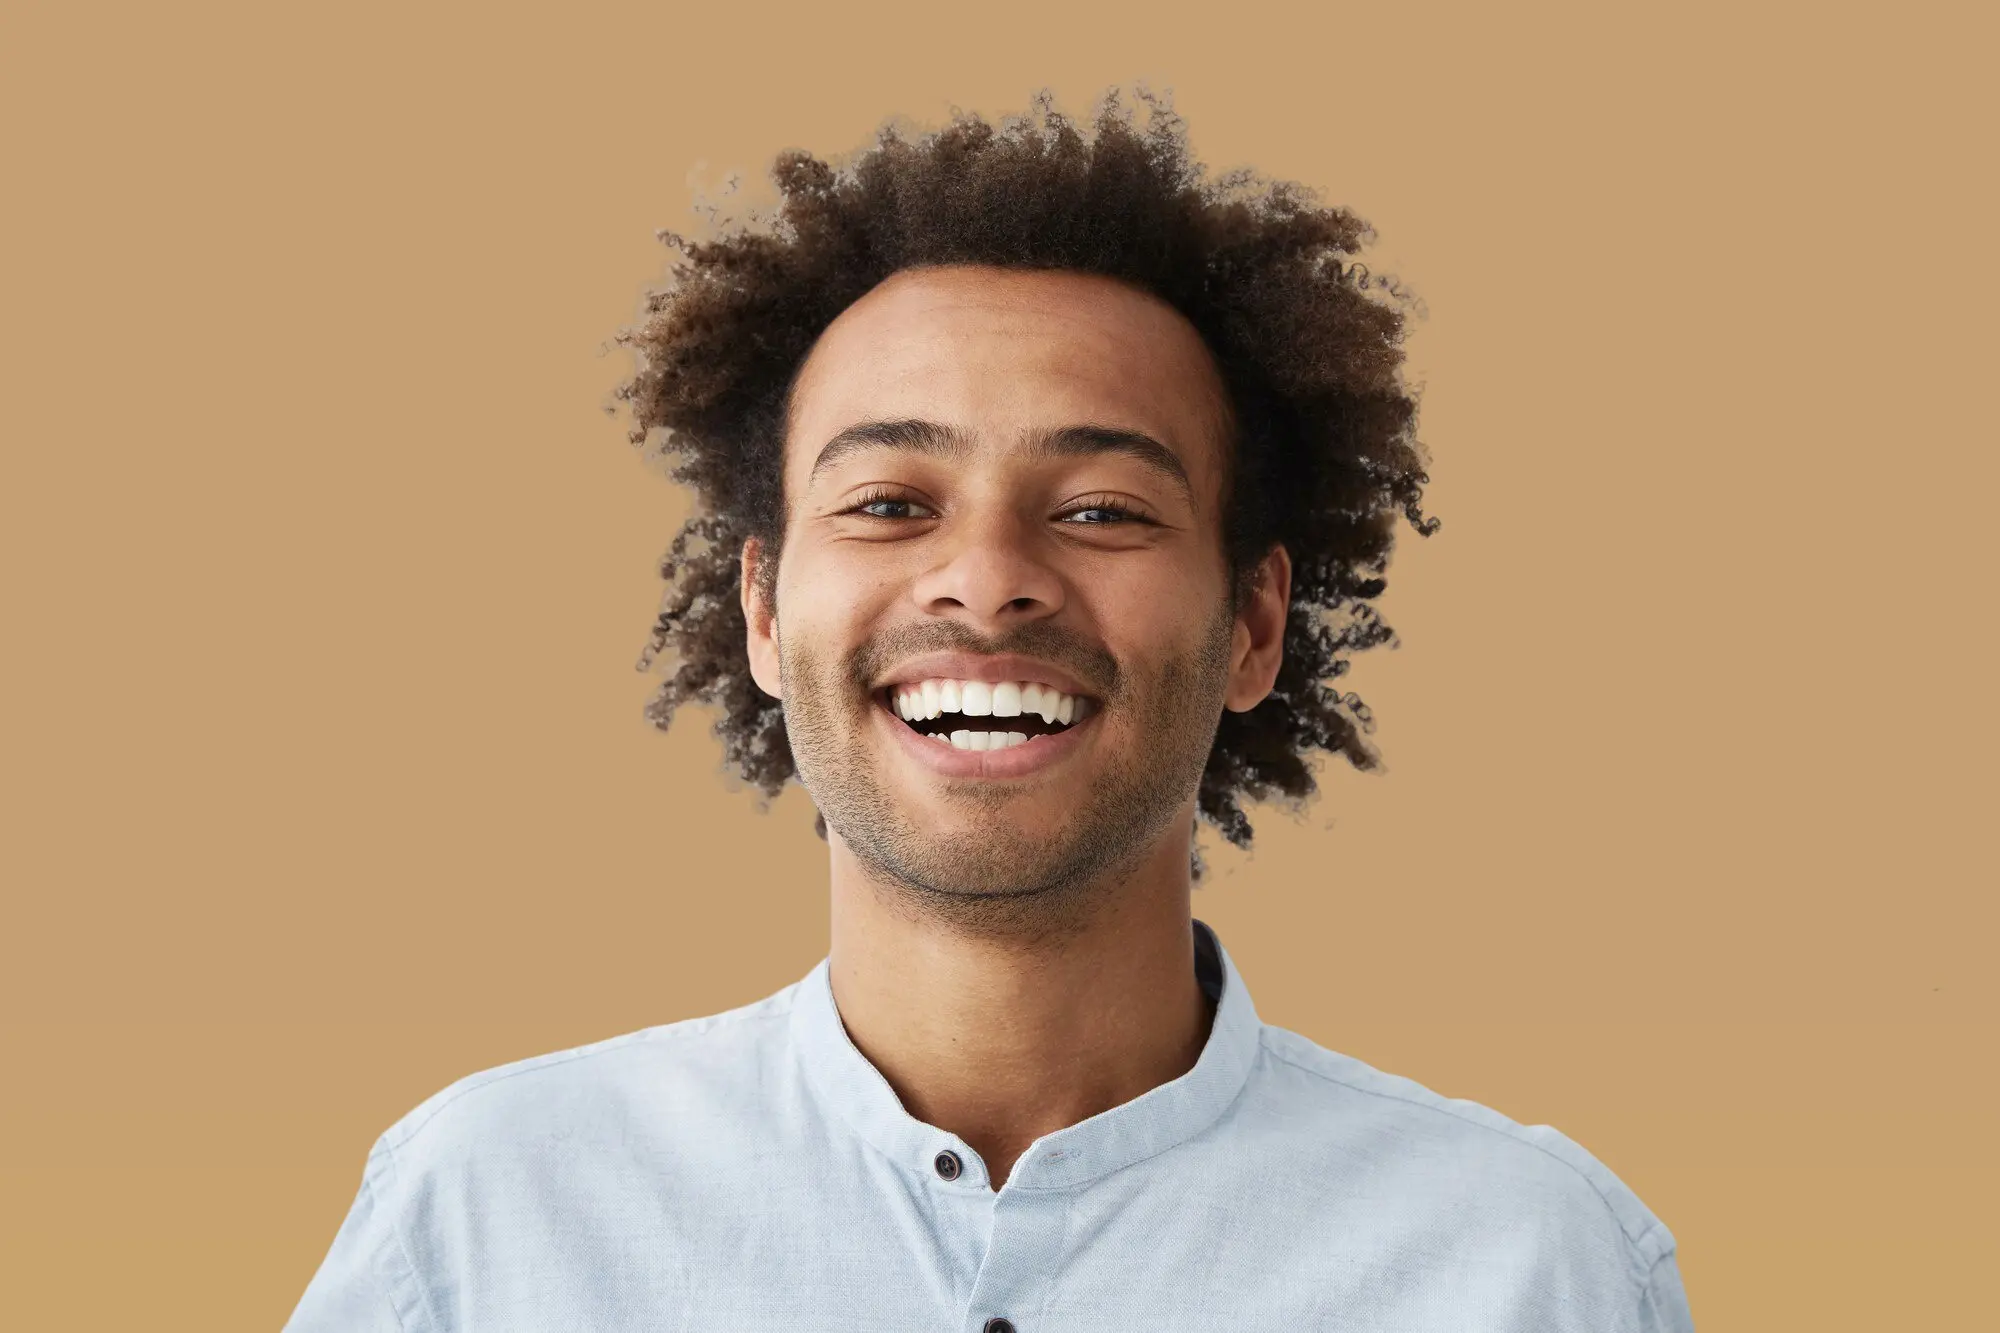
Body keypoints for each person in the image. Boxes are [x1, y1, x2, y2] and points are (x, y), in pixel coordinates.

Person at [286, 89, 1693, 1332]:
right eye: (890, 503)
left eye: (1100, 510)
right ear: (767, 613)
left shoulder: (1530, 1264)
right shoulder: (484, 1222)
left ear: (1254, 625)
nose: (989, 582)